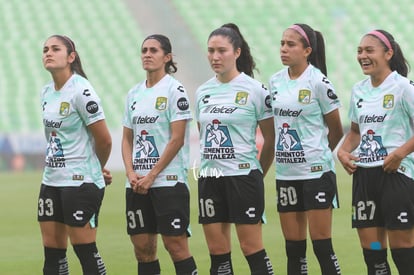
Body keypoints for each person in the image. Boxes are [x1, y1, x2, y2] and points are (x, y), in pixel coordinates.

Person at [195, 23, 275, 274]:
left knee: (251, 248)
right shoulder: (202, 91)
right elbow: (203, 134)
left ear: (237, 52)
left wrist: (255, 174)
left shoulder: (255, 90)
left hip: (243, 177)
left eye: (222, 50)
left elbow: (271, 139)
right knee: (218, 255)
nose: (215, 57)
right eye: (211, 51)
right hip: (210, 177)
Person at [337, 29, 414, 275]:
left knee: (402, 250)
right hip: (365, 177)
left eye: (369, 50)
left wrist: (400, 153)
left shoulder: (403, 87)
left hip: (397, 176)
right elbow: (356, 133)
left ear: (388, 53)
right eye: (360, 51)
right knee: (373, 251)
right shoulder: (359, 90)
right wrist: (343, 152)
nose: (362, 56)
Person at [268, 23, 343, 275]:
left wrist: (317, 154)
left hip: (316, 174)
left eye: (291, 44)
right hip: (286, 174)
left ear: (307, 50)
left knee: (322, 247)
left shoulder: (319, 82)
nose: (284, 49)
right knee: (294, 250)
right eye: (282, 43)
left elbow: (336, 130)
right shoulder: (275, 81)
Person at [121, 34, 197, 275]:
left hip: (168, 182)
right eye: (144, 50)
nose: (147, 54)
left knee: (175, 246)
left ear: (167, 57)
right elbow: (126, 137)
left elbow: (177, 139)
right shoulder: (133, 94)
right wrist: (131, 172)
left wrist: (152, 175)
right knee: (142, 249)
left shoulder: (175, 90)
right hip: (136, 183)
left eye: (153, 50)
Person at [38, 35, 112, 275]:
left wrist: (95, 168)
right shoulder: (46, 92)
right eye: (45, 49)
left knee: (85, 251)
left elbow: (104, 139)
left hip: (79, 182)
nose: (48, 52)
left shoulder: (82, 90)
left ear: (71, 57)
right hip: (51, 180)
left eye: (55, 49)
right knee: (52, 256)